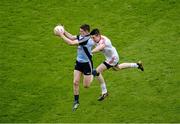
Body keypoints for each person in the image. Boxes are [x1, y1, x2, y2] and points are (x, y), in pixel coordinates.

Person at [90, 28, 144, 101]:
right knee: (117, 68)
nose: (92, 39)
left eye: (93, 37)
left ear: (98, 35)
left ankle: (104, 92)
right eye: (92, 38)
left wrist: (90, 52)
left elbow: (100, 47)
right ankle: (137, 65)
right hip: (112, 55)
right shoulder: (96, 39)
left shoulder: (105, 41)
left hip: (112, 58)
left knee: (97, 72)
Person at [55, 24, 94, 111]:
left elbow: (71, 43)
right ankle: (76, 101)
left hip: (87, 64)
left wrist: (61, 35)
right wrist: (64, 31)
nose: (80, 33)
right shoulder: (82, 36)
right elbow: (72, 37)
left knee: (86, 86)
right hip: (79, 63)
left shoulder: (87, 40)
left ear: (87, 32)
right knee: (75, 82)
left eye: (81, 31)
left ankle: (93, 74)